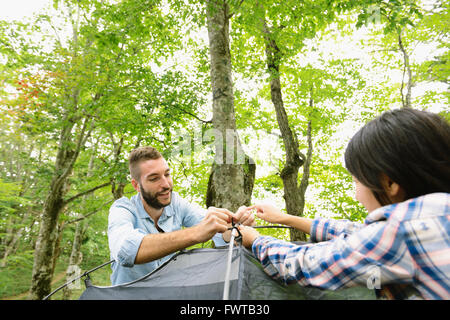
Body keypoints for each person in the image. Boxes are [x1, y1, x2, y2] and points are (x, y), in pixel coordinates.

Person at [239, 108, 450, 299]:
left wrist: (254, 239)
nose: (357, 195)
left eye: (357, 181)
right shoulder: (433, 217)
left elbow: (305, 264)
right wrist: (285, 219)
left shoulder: (400, 233)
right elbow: (356, 233)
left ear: (390, 182)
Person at [108, 146, 254, 285]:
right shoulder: (122, 209)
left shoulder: (176, 203)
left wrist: (233, 228)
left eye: (167, 174)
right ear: (136, 185)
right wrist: (195, 233)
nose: (166, 184)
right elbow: (125, 251)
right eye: (154, 179)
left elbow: (215, 229)